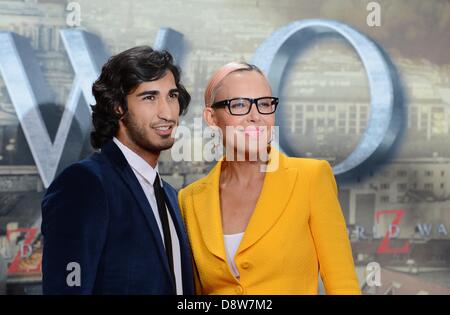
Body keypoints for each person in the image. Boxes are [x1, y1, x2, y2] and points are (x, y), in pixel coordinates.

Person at [178, 62, 361, 294]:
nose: (256, 117)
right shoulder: (189, 200)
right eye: (240, 105)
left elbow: (342, 284)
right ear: (211, 118)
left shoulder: (310, 178)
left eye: (264, 104)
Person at [41, 46, 194, 294]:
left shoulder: (169, 195)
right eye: (149, 97)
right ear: (118, 107)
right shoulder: (84, 184)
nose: (167, 112)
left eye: (172, 96)